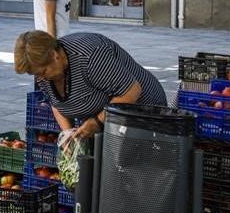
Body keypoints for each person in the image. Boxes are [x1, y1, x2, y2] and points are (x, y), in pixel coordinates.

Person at [14, 30, 167, 147]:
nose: (40, 79)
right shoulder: (44, 72)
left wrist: (97, 122)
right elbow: (56, 103)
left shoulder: (90, 56)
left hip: (144, 114)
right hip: (107, 126)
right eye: (35, 74)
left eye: (42, 72)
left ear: (55, 55)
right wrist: (68, 134)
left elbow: (131, 91)